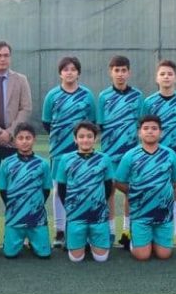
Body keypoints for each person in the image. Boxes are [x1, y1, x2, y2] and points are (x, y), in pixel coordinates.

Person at [41, 56, 96, 248]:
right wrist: (62, 139)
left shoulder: (87, 95)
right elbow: (47, 123)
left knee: (81, 188)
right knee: (59, 190)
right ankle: (60, 231)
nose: (69, 72)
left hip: (82, 152)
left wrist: (81, 142)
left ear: (78, 73)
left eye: (73, 69)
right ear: (60, 73)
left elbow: (91, 123)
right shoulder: (52, 95)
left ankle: (79, 227)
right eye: (66, 69)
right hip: (59, 152)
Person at [115, 115, 176, 261]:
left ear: (161, 132)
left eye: (154, 128)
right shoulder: (130, 155)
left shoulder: (170, 154)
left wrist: (161, 191)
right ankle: (134, 241)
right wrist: (135, 192)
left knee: (164, 255)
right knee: (143, 256)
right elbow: (119, 181)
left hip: (163, 214)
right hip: (140, 214)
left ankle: (153, 239)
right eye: (146, 128)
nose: (150, 131)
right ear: (139, 133)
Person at [142, 60, 176, 248]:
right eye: (162, 74)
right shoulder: (149, 102)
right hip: (153, 157)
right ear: (157, 78)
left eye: (170, 74)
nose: (166, 77)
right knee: (154, 191)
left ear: (175, 78)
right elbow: (144, 127)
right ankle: (154, 232)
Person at [96, 55, 144, 249]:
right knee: (109, 192)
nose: (120, 74)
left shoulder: (138, 96)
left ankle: (127, 231)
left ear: (129, 72)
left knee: (130, 192)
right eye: (117, 70)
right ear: (111, 72)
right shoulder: (103, 96)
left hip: (131, 154)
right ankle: (110, 231)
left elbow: (142, 125)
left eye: (124, 70)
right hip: (109, 153)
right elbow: (99, 126)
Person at [55, 121, 113, 263]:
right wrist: (71, 208)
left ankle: (92, 241)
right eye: (81, 136)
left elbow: (108, 186)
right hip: (76, 216)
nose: (85, 140)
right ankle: (81, 240)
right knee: (76, 259)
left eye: (89, 136)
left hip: (98, 215)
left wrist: (98, 204)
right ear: (75, 139)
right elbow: (61, 188)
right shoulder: (65, 159)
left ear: (95, 138)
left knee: (101, 258)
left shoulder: (104, 159)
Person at [0, 123, 52, 259]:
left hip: (37, 218)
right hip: (14, 217)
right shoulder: (7, 163)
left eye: (28, 138)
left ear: (34, 139)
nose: (24, 141)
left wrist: (34, 206)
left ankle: (34, 242)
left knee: (45, 255)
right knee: (10, 255)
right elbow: (3, 190)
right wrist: (15, 207)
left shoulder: (43, 164)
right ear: (15, 140)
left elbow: (46, 190)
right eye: (20, 138)